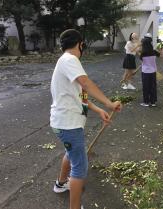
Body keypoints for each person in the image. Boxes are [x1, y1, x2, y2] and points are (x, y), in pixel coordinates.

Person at [50, 29, 122, 209]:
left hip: (65, 123)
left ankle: (60, 184)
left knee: (71, 153)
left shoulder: (65, 62)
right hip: (68, 124)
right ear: (80, 44)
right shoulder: (69, 59)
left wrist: (99, 110)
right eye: (83, 45)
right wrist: (109, 103)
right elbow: (86, 83)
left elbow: (80, 95)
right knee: (80, 168)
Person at [140, 33, 160, 107]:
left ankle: (146, 102)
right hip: (153, 71)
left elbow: (141, 60)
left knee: (146, 87)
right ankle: (153, 102)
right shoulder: (154, 52)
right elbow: (160, 54)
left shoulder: (143, 53)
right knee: (153, 87)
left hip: (145, 72)